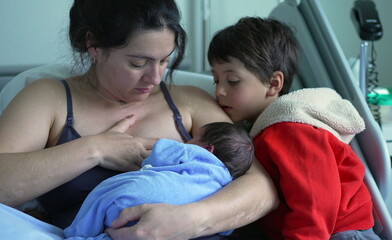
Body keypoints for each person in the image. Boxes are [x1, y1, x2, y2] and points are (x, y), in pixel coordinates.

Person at [0, 1, 277, 239]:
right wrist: (95, 150)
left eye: (164, 61)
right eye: (138, 63)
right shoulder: (49, 99)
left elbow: (262, 187)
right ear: (93, 45)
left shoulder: (189, 102)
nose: (155, 78)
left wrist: (190, 220)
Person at [208, 17, 380, 240]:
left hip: (336, 233)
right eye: (215, 80)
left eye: (232, 81)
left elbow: (316, 203)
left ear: (273, 84)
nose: (220, 91)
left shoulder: (291, 130)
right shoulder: (264, 129)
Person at [64, 122, 254, 239]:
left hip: (131, 199)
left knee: (105, 193)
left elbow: (160, 153)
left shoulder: (196, 153)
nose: (187, 142)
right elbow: (226, 227)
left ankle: (77, 232)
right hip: (166, 223)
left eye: (193, 138)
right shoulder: (225, 186)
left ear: (208, 149)